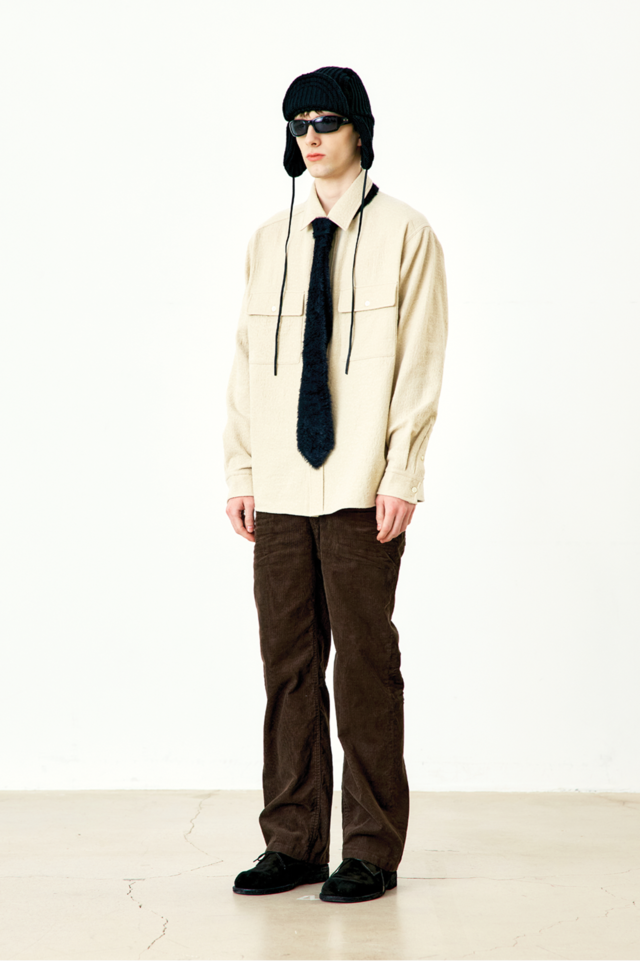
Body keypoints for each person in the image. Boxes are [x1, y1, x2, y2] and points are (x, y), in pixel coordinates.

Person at [222, 65, 448, 903]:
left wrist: (402, 472)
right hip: (280, 486)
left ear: (360, 129)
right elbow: (246, 364)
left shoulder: (407, 234)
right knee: (286, 667)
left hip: (360, 485)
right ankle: (292, 842)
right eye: (298, 123)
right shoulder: (268, 240)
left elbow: (420, 363)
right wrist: (241, 467)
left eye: (325, 119)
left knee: (364, 667)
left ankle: (372, 849)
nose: (310, 136)